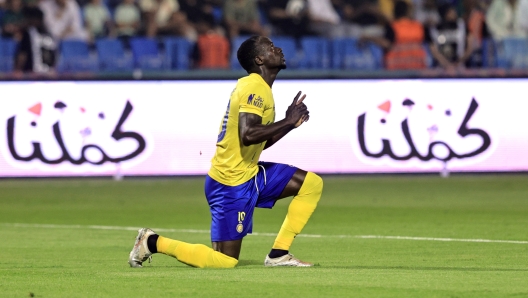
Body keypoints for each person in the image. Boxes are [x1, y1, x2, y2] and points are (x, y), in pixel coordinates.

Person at [129, 35, 323, 268]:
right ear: (259, 59)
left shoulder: (259, 87)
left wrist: (289, 123)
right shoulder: (254, 86)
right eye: (271, 48)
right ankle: (152, 242)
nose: (278, 49)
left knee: (310, 184)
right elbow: (248, 134)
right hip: (230, 183)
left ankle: (278, 254)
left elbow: (257, 142)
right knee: (224, 261)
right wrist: (286, 121)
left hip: (249, 172)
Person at [14, 7, 57, 73]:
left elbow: (22, 56)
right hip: (48, 77)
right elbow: (54, 59)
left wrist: (17, 71)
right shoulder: (50, 35)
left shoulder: (29, 34)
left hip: (31, 76)